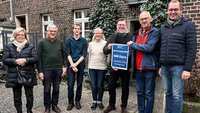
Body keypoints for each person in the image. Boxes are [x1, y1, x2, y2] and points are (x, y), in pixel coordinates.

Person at [159, 0, 197, 113]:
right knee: (168, 94)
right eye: (171, 9)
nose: (173, 12)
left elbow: (192, 48)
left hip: (178, 68)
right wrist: (160, 66)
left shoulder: (188, 25)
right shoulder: (163, 27)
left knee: (177, 96)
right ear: (167, 11)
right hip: (165, 67)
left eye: (175, 9)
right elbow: (161, 47)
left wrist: (187, 69)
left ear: (180, 10)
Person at [127, 11, 159, 113]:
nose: (144, 21)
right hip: (138, 68)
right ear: (139, 21)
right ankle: (141, 111)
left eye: (146, 18)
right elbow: (133, 51)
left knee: (149, 94)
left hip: (149, 68)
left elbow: (149, 48)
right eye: (141, 19)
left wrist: (133, 44)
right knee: (140, 92)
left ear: (150, 19)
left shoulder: (155, 32)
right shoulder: (136, 33)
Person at [2, 27, 38, 113]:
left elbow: (36, 58)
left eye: (22, 35)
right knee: (17, 96)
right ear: (15, 35)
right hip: (14, 74)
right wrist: (15, 61)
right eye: (19, 35)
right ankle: (19, 111)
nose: (21, 36)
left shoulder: (30, 46)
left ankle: (29, 110)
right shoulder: (9, 46)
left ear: (25, 36)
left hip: (28, 74)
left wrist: (25, 60)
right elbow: (4, 59)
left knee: (29, 95)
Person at [103, 19, 133, 113]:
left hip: (125, 67)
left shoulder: (131, 36)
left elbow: (134, 51)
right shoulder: (112, 36)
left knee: (125, 87)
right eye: (119, 25)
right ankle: (111, 105)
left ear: (126, 26)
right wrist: (108, 47)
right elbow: (105, 51)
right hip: (114, 67)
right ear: (117, 25)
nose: (121, 26)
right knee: (111, 85)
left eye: (123, 25)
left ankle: (124, 107)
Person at [37, 24, 67, 113]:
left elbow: (63, 55)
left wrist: (65, 67)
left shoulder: (60, 42)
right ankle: (47, 107)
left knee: (56, 89)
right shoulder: (41, 42)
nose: (53, 32)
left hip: (58, 69)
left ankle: (54, 105)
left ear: (56, 32)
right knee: (46, 90)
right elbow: (38, 57)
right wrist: (40, 71)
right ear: (47, 31)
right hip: (46, 70)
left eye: (54, 31)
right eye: (51, 31)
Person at [65, 23, 88, 110]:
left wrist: (76, 64)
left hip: (80, 65)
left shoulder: (84, 41)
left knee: (79, 84)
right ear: (73, 30)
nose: (77, 30)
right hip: (71, 65)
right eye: (75, 28)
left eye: (78, 28)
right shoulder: (68, 40)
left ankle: (77, 101)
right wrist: (72, 65)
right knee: (70, 85)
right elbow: (67, 53)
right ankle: (70, 102)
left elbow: (84, 54)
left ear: (80, 30)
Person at [88, 27, 107, 110]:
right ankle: (94, 101)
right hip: (92, 67)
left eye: (100, 33)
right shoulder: (91, 44)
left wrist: (108, 64)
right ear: (94, 34)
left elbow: (108, 55)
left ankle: (99, 101)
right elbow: (89, 56)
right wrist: (88, 66)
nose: (98, 34)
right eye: (96, 33)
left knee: (100, 85)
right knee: (93, 85)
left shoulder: (105, 43)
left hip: (102, 67)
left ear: (102, 34)